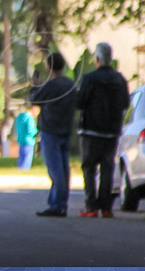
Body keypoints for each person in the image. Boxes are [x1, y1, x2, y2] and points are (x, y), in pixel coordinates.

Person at [76, 42, 130, 218]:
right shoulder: (120, 79)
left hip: (91, 131)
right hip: (112, 132)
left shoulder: (90, 79)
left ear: (97, 58)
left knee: (89, 168)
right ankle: (106, 207)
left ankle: (91, 206)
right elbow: (126, 103)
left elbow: (80, 103)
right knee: (107, 168)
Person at [31, 52, 79, 217]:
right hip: (65, 129)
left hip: (50, 130)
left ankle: (57, 204)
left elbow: (35, 99)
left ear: (49, 66)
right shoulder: (70, 84)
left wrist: (35, 85)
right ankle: (60, 202)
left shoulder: (51, 85)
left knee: (55, 170)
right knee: (64, 169)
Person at [14, 104, 40, 170]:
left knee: (21, 157)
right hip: (29, 140)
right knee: (27, 158)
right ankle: (24, 170)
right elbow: (30, 130)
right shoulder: (29, 118)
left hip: (21, 139)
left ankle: (19, 169)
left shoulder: (20, 117)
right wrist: (36, 131)